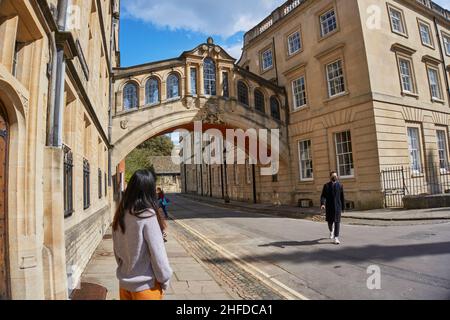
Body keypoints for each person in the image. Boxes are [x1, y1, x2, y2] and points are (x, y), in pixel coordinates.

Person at [112, 170, 173, 300]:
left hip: (124, 286)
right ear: (149, 190)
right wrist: (164, 279)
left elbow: (117, 251)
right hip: (146, 287)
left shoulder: (120, 214)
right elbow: (158, 254)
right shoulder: (148, 215)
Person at [320, 171, 345, 245]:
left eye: (335, 176)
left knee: (337, 222)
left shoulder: (340, 185)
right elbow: (323, 196)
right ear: (330, 177)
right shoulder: (326, 186)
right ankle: (331, 231)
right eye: (333, 176)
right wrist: (322, 204)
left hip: (337, 207)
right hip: (329, 207)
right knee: (330, 222)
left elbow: (342, 197)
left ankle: (336, 237)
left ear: (337, 177)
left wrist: (343, 207)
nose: (334, 177)